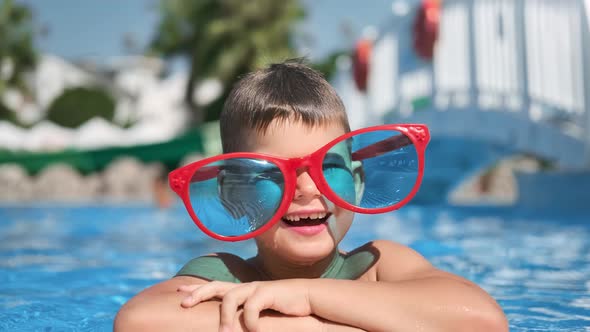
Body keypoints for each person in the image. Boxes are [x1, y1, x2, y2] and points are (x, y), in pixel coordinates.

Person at [114, 60, 508, 332]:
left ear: (356, 182)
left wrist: (305, 295)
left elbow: (483, 321)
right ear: (234, 194)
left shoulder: (377, 265)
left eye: (330, 167)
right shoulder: (229, 274)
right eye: (273, 173)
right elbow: (140, 322)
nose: (307, 188)